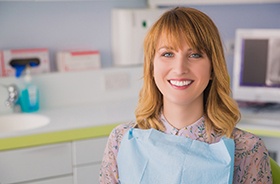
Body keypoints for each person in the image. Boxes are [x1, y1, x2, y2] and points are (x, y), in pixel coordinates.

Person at [100, 7, 272, 184]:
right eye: (168, 54)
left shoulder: (246, 149)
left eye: (195, 55)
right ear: (151, 67)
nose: (180, 68)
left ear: (213, 68)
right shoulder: (121, 140)